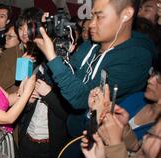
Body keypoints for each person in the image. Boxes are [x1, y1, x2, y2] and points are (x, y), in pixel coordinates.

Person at [35, 0, 157, 137]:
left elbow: (81, 99)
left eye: (99, 17)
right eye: (92, 16)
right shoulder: (93, 44)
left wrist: (52, 58)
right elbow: (61, 79)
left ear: (126, 14)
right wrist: (53, 47)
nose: (91, 24)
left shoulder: (136, 58)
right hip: (71, 130)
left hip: (100, 143)